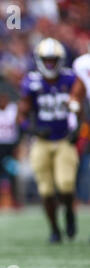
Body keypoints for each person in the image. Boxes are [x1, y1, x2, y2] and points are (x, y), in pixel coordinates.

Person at [17, 38, 83, 243]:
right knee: (46, 190)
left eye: (53, 60)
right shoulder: (32, 82)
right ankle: (55, 230)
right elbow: (21, 116)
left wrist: (78, 130)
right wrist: (34, 129)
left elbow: (80, 107)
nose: (50, 65)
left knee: (66, 185)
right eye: (46, 60)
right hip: (42, 142)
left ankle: (70, 214)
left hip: (64, 139)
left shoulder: (71, 79)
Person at [70, 43, 90, 204]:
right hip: (87, 120)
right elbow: (77, 93)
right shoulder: (82, 64)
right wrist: (75, 105)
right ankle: (80, 195)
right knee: (79, 156)